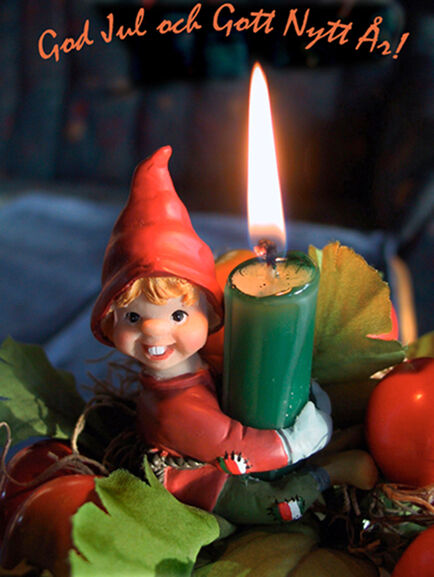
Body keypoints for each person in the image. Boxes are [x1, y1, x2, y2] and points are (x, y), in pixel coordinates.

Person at [91, 146, 377, 524]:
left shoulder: (200, 365)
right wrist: (299, 440)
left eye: (177, 315)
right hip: (200, 481)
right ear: (110, 323)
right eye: (133, 317)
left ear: (211, 313)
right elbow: (235, 445)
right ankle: (329, 473)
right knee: (274, 506)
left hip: (221, 451)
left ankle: (341, 443)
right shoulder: (176, 409)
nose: (152, 329)